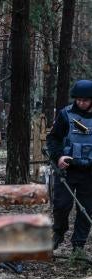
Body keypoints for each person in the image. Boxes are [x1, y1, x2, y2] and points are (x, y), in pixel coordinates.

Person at [47, 80, 92, 251]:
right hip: (67, 169)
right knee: (61, 205)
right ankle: (58, 232)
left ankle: (78, 245)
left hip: (89, 172)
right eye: (78, 100)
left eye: (85, 100)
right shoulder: (65, 114)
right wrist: (58, 157)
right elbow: (53, 139)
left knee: (86, 210)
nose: (81, 103)